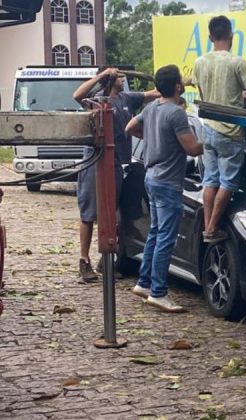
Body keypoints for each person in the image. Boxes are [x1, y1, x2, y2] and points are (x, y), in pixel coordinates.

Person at [190, 15, 246, 243]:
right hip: (230, 131)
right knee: (227, 182)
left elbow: (205, 96)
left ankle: (208, 227)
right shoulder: (237, 62)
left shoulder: (199, 63)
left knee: (210, 179)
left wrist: (239, 95)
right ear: (231, 35)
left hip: (207, 129)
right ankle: (211, 229)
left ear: (210, 37)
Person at [125, 65, 203, 313]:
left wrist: (154, 138)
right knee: (166, 238)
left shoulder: (153, 108)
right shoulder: (175, 114)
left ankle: (144, 282)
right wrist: (212, 142)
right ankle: (159, 292)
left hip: (152, 177)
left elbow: (130, 128)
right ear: (178, 86)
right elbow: (192, 149)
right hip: (168, 181)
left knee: (156, 233)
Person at [73, 67, 159, 282]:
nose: (124, 79)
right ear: (110, 78)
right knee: (89, 214)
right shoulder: (96, 98)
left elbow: (154, 93)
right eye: (120, 76)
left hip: (117, 164)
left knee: (114, 214)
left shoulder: (127, 98)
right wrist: (101, 76)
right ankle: (84, 260)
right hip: (94, 162)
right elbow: (77, 95)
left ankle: (107, 257)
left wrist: (181, 83)